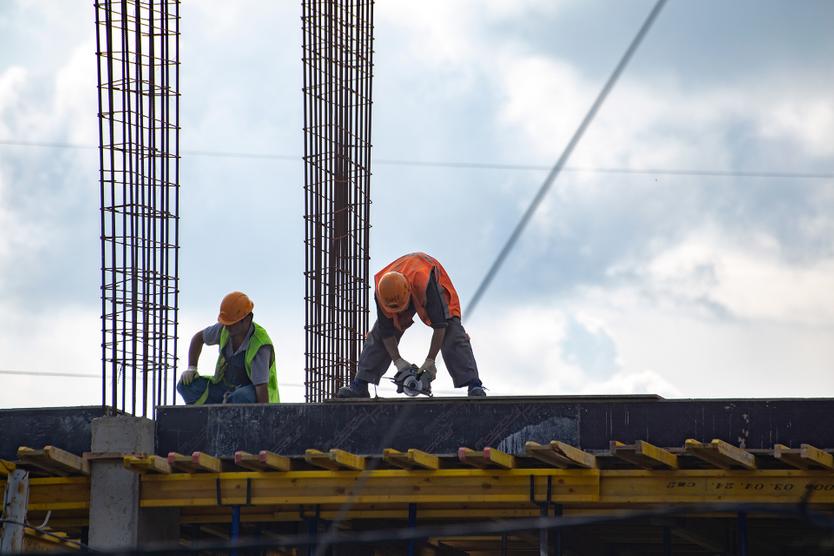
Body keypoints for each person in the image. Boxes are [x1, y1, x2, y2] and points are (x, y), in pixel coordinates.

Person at [337, 252, 486, 398]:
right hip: (401, 288)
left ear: (409, 292)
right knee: (377, 335)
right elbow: (386, 333)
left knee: (452, 331)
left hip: (429, 279)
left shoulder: (426, 283)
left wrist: (430, 361)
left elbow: (440, 326)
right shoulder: (382, 292)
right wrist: (398, 361)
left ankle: (474, 384)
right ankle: (360, 384)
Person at [177, 291, 279, 404]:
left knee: (241, 397)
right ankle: (209, 416)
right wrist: (192, 368)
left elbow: (261, 389)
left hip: (249, 394)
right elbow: (198, 338)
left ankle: (229, 416)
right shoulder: (223, 329)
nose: (228, 327)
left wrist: (263, 417)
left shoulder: (260, 345)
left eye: (232, 323)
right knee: (185, 385)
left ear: (248, 319)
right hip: (224, 389)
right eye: (226, 323)